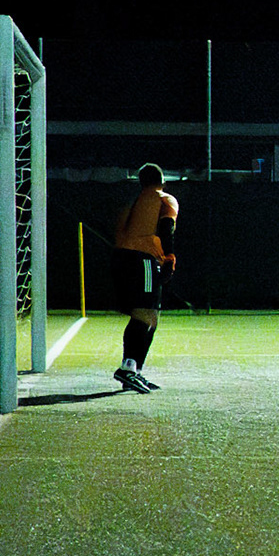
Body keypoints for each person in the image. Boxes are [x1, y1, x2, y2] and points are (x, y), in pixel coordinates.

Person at [111, 162, 179, 393]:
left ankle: (135, 371)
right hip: (143, 257)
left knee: (150, 316)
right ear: (162, 181)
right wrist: (169, 257)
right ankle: (128, 368)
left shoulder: (134, 201)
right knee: (145, 314)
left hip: (122, 258)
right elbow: (167, 226)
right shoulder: (164, 199)